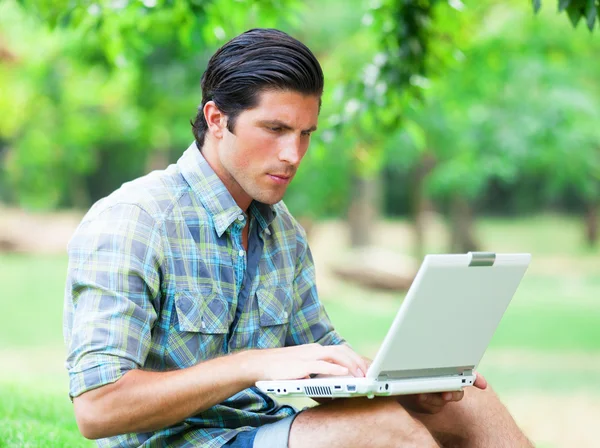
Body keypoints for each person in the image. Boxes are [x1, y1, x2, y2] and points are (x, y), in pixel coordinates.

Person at [64, 28, 533, 448]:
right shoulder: (135, 220)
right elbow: (98, 408)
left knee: (468, 402)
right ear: (216, 119)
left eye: (305, 133)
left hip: (267, 430)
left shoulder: (281, 229)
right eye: (275, 129)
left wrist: (404, 382)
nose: (293, 154)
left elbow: (319, 356)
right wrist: (255, 364)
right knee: (384, 432)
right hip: (179, 442)